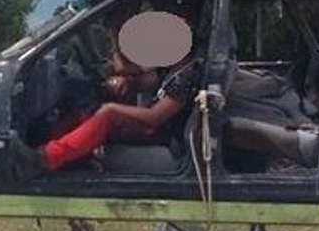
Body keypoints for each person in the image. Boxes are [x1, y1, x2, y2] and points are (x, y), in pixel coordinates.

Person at [22, 10, 203, 174]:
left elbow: (155, 116)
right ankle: (41, 145)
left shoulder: (187, 76)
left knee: (108, 118)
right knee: (90, 113)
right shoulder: (169, 69)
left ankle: (43, 160)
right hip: (150, 129)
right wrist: (127, 82)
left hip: (161, 134)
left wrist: (112, 108)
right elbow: (137, 79)